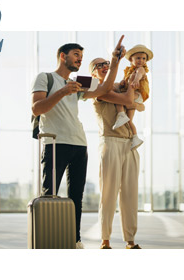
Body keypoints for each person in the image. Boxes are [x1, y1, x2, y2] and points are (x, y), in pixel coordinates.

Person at [31, 35, 126, 249]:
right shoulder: (45, 78)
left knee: (76, 197)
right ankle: (49, 240)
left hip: (79, 144)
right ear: (63, 56)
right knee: (50, 195)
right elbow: (37, 108)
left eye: (82, 57)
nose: (80, 60)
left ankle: (75, 240)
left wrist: (116, 61)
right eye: (76, 55)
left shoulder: (78, 83)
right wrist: (64, 91)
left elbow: (104, 89)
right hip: (54, 143)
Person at [89, 55, 145, 249]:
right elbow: (129, 99)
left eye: (106, 63)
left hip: (130, 143)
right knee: (108, 193)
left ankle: (130, 240)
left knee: (130, 193)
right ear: (93, 72)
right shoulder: (97, 90)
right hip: (110, 142)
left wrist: (134, 80)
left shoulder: (120, 85)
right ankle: (105, 240)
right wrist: (131, 88)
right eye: (99, 65)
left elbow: (136, 102)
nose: (104, 66)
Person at [112, 44, 153, 150]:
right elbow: (125, 80)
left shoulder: (141, 69)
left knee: (119, 97)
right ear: (131, 59)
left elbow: (139, 75)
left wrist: (135, 80)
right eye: (138, 58)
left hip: (137, 94)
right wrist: (122, 82)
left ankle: (121, 114)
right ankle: (135, 137)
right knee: (129, 120)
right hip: (133, 96)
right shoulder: (128, 71)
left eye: (144, 58)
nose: (141, 61)